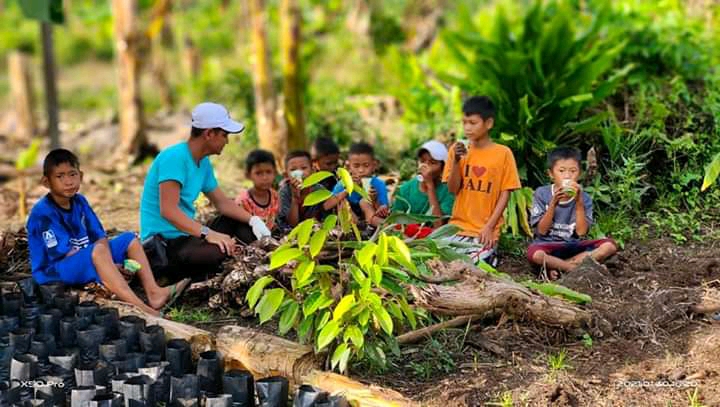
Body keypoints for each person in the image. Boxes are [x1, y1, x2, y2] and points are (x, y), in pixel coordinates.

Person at [27, 149, 187, 317]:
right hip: (54, 270)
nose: (68, 182)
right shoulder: (43, 213)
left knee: (129, 239)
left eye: (72, 174)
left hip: (89, 258)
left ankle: (154, 293)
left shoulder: (79, 201)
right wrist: (107, 266)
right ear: (46, 182)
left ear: (81, 176)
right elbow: (65, 253)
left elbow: (99, 237)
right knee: (99, 252)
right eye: (60, 176)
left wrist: (108, 263)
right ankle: (141, 308)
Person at [140, 102, 272, 280]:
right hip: (166, 243)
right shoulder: (174, 158)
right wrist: (209, 234)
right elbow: (168, 211)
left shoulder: (203, 162)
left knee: (237, 223)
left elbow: (222, 203)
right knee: (217, 253)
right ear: (209, 134)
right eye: (224, 135)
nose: (227, 141)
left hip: (188, 234)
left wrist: (254, 220)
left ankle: (263, 256)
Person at [443, 96, 521, 266]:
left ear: (489, 123)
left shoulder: (503, 153)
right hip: (457, 227)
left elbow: (505, 194)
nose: (467, 128)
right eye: (464, 122)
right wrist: (456, 161)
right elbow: (452, 189)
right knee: (434, 259)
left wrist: (489, 227)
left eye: (473, 122)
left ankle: (489, 258)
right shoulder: (456, 151)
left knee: (468, 265)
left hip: (484, 231)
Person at [527, 147, 618, 280]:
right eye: (561, 171)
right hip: (548, 245)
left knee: (609, 245)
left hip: (572, 245)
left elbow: (581, 233)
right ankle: (574, 268)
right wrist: (553, 204)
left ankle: (558, 267)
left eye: (573, 171)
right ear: (551, 174)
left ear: (579, 174)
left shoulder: (584, 197)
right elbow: (541, 231)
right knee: (535, 254)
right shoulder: (542, 193)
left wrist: (579, 202)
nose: (567, 176)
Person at [391, 140, 455, 237]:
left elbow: (439, 225)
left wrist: (430, 186)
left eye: (432, 162)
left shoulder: (448, 191)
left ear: (443, 168)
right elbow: (395, 223)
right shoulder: (405, 189)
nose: (425, 166)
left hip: (434, 239)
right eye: (422, 161)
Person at [323, 142, 389, 226]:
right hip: (350, 222)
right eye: (356, 166)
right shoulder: (343, 183)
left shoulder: (379, 184)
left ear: (374, 165)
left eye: (366, 165)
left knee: (364, 202)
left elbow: (383, 209)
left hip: (371, 217)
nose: (361, 170)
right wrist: (348, 189)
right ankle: (358, 227)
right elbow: (326, 206)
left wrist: (374, 200)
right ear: (348, 167)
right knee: (342, 202)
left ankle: (386, 227)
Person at [277, 150, 326, 233]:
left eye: (304, 168)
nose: (299, 173)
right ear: (286, 175)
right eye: (293, 170)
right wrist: (295, 199)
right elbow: (292, 224)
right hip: (289, 234)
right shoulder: (284, 192)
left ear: (313, 171)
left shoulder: (319, 190)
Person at [233, 149, 280, 234]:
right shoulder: (243, 200)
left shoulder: (275, 196)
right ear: (248, 175)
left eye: (268, 172)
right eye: (258, 173)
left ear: (275, 173)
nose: (265, 177)